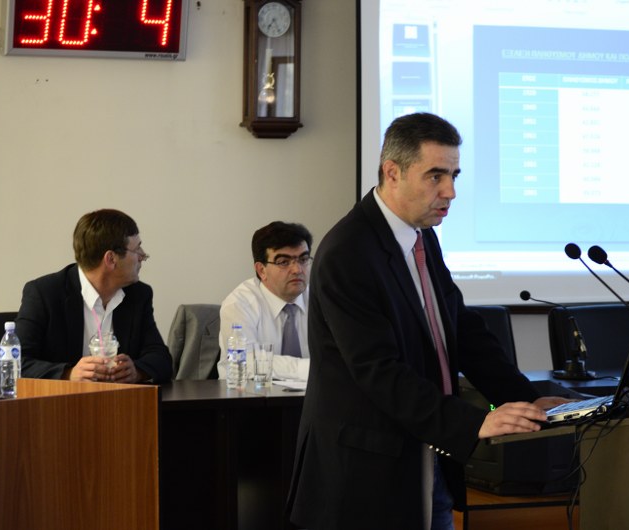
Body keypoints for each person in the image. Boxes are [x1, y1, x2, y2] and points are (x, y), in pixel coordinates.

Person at [287, 113, 569, 529]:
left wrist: (525, 399)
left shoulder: (422, 236)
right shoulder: (348, 251)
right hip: (365, 471)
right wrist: (475, 421)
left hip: (427, 452)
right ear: (392, 173)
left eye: (454, 175)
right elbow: (378, 370)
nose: (450, 191)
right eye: (435, 176)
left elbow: (461, 330)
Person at [15, 208, 172, 383]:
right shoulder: (45, 293)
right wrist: (69, 374)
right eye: (136, 249)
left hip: (118, 399)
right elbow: (16, 363)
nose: (143, 256)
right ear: (111, 259)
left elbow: (161, 358)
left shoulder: (138, 295)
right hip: (61, 399)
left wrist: (137, 371)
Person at [217, 221, 312, 381]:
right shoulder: (239, 304)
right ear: (261, 270)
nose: (297, 270)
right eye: (284, 262)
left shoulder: (322, 298)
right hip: (249, 394)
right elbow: (245, 362)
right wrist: (309, 368)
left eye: (303, 259)